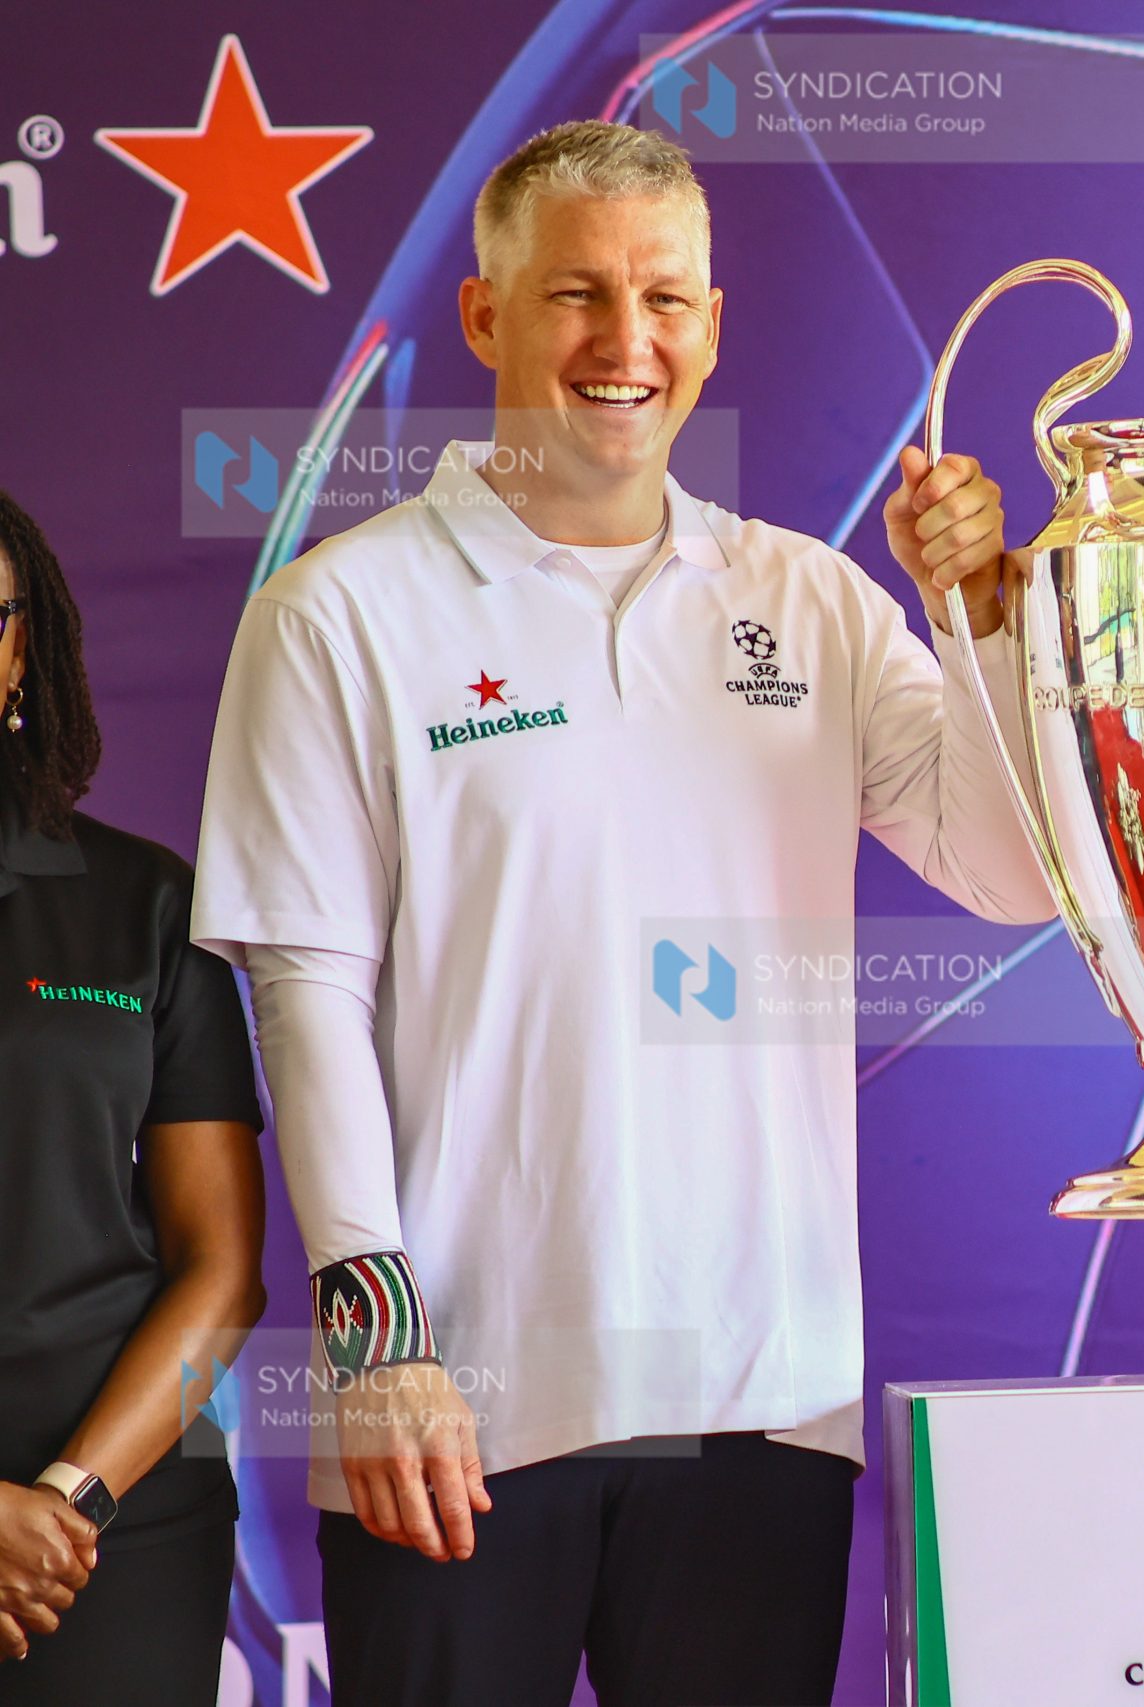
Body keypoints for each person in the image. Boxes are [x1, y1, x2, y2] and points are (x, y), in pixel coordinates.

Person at [191, 121, 1049, 1706]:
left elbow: (1004, 871)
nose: (625, 341)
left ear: (713, 326)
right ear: (486, 316)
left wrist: (981, 615)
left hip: (762, 1398)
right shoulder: (340, 613)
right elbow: (305, 1002)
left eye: (665, 298)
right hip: (457, 1409)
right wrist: (378, 1348)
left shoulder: (815, 603)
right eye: (577, 293)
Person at [0, 491, 267, 1700]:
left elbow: (222, 1268)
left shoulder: (147, 905)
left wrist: (61, 1506)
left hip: (107, 1534)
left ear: (22, 647)